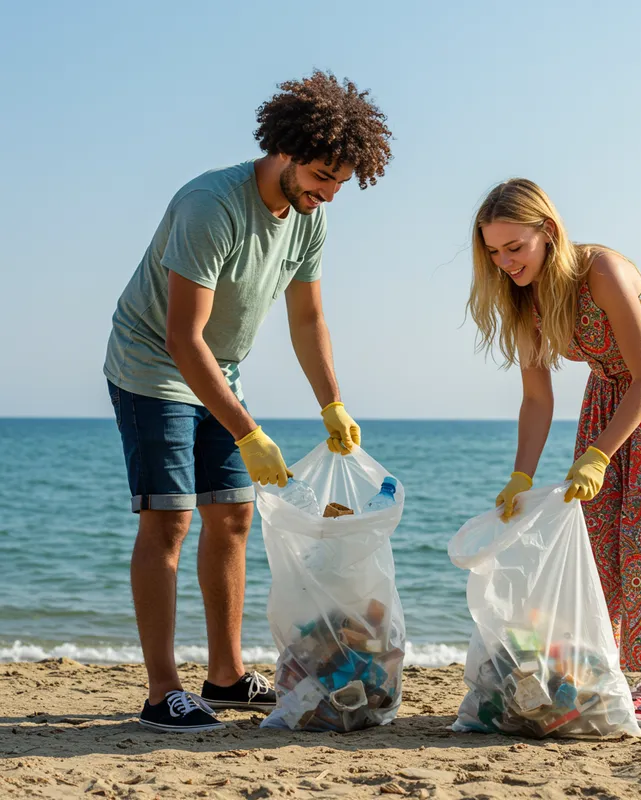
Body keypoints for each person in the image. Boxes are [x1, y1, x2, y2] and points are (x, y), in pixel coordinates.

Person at [104, 71, 392, 732]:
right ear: (286, 150)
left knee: (231, 516)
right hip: (152, 363)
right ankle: (161, 691)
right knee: (169, 522)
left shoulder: (308, 222)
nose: (328, 193)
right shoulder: (213, 204)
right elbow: (182, 336)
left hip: (218, 369)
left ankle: (226, 677)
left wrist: (332, 405)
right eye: (323, 175)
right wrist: (247, 432)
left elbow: (308, 322)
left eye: (341, 183)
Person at [468, 178, 641, 730]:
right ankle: (616, 670)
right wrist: (520, 475)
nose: (505, 261)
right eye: (494, 252)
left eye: (515, 247)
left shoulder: (600, 272)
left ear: (548, 232)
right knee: (599, 539)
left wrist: (597, 456)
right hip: (606, 396)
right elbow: (536, 396)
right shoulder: (522, 296)